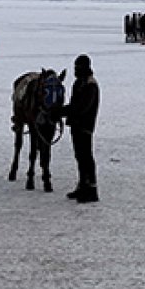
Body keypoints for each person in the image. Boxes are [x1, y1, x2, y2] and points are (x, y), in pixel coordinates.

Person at [62, 55, 100, 203]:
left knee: (86, 157)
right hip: (77, 125)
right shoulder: (79, 83)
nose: (75, 69)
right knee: (80, 156)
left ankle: (91, 189)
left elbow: (81, 107)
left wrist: (61, 112)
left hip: (85, 125)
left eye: (78, 67)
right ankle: (82, 184)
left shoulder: (90, 85)